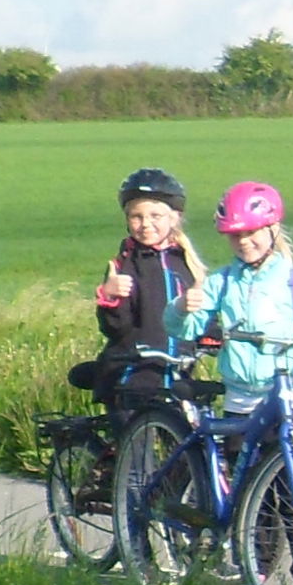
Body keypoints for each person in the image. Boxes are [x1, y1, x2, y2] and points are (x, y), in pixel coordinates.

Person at [170, 181, 293, 416]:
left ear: (272, 229)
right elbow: (186, 329)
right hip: (240, 400)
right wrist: (181, 309)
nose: (243, 241)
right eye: (235, 236)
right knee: (238, 453)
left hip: (290, 395)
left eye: (251, 232)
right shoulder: (221, 282)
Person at [78, 167, 205, 413]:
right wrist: (110, 298)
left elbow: (200, 318)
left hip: (178, 378)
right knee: (138, 450)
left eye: (155, 215)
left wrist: (213, 337)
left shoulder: (187, 264)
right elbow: (116, 329)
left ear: (174, 217)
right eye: (136, 217)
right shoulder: (123, 265)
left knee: (189, 449)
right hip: (131, 379)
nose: (146, 224)